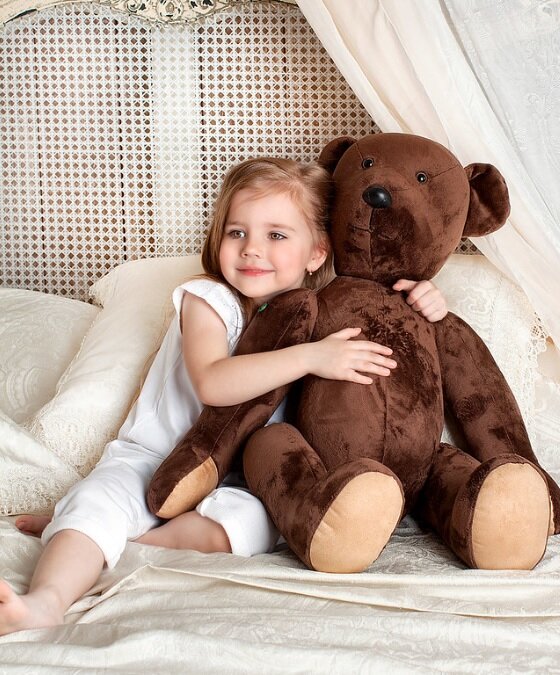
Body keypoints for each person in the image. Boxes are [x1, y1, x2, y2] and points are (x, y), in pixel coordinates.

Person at [0, 157, 448, 635]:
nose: (252, 249)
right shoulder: (210, 300)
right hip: (151, 461)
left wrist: (424, 301)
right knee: (98, 503)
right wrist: (311, 358)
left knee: (248, 526)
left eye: (276, 235)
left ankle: (109, 550)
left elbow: (386, 328)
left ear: (317, 252)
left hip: (245, 479)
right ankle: (48, 598)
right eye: (237, 232)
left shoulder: (324, 316)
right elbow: (213, 382)